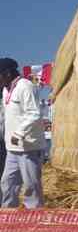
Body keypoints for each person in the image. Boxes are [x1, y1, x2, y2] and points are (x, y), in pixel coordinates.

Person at [1, 58, 45, 208]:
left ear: (7, 74)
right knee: (7, 183)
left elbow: (34, 113)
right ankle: (7, 215)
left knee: (31, 186)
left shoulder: (26, 87)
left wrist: (19, 133)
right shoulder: (6, 90)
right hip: (12, 149)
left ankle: (35, 216)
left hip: (28, 148)